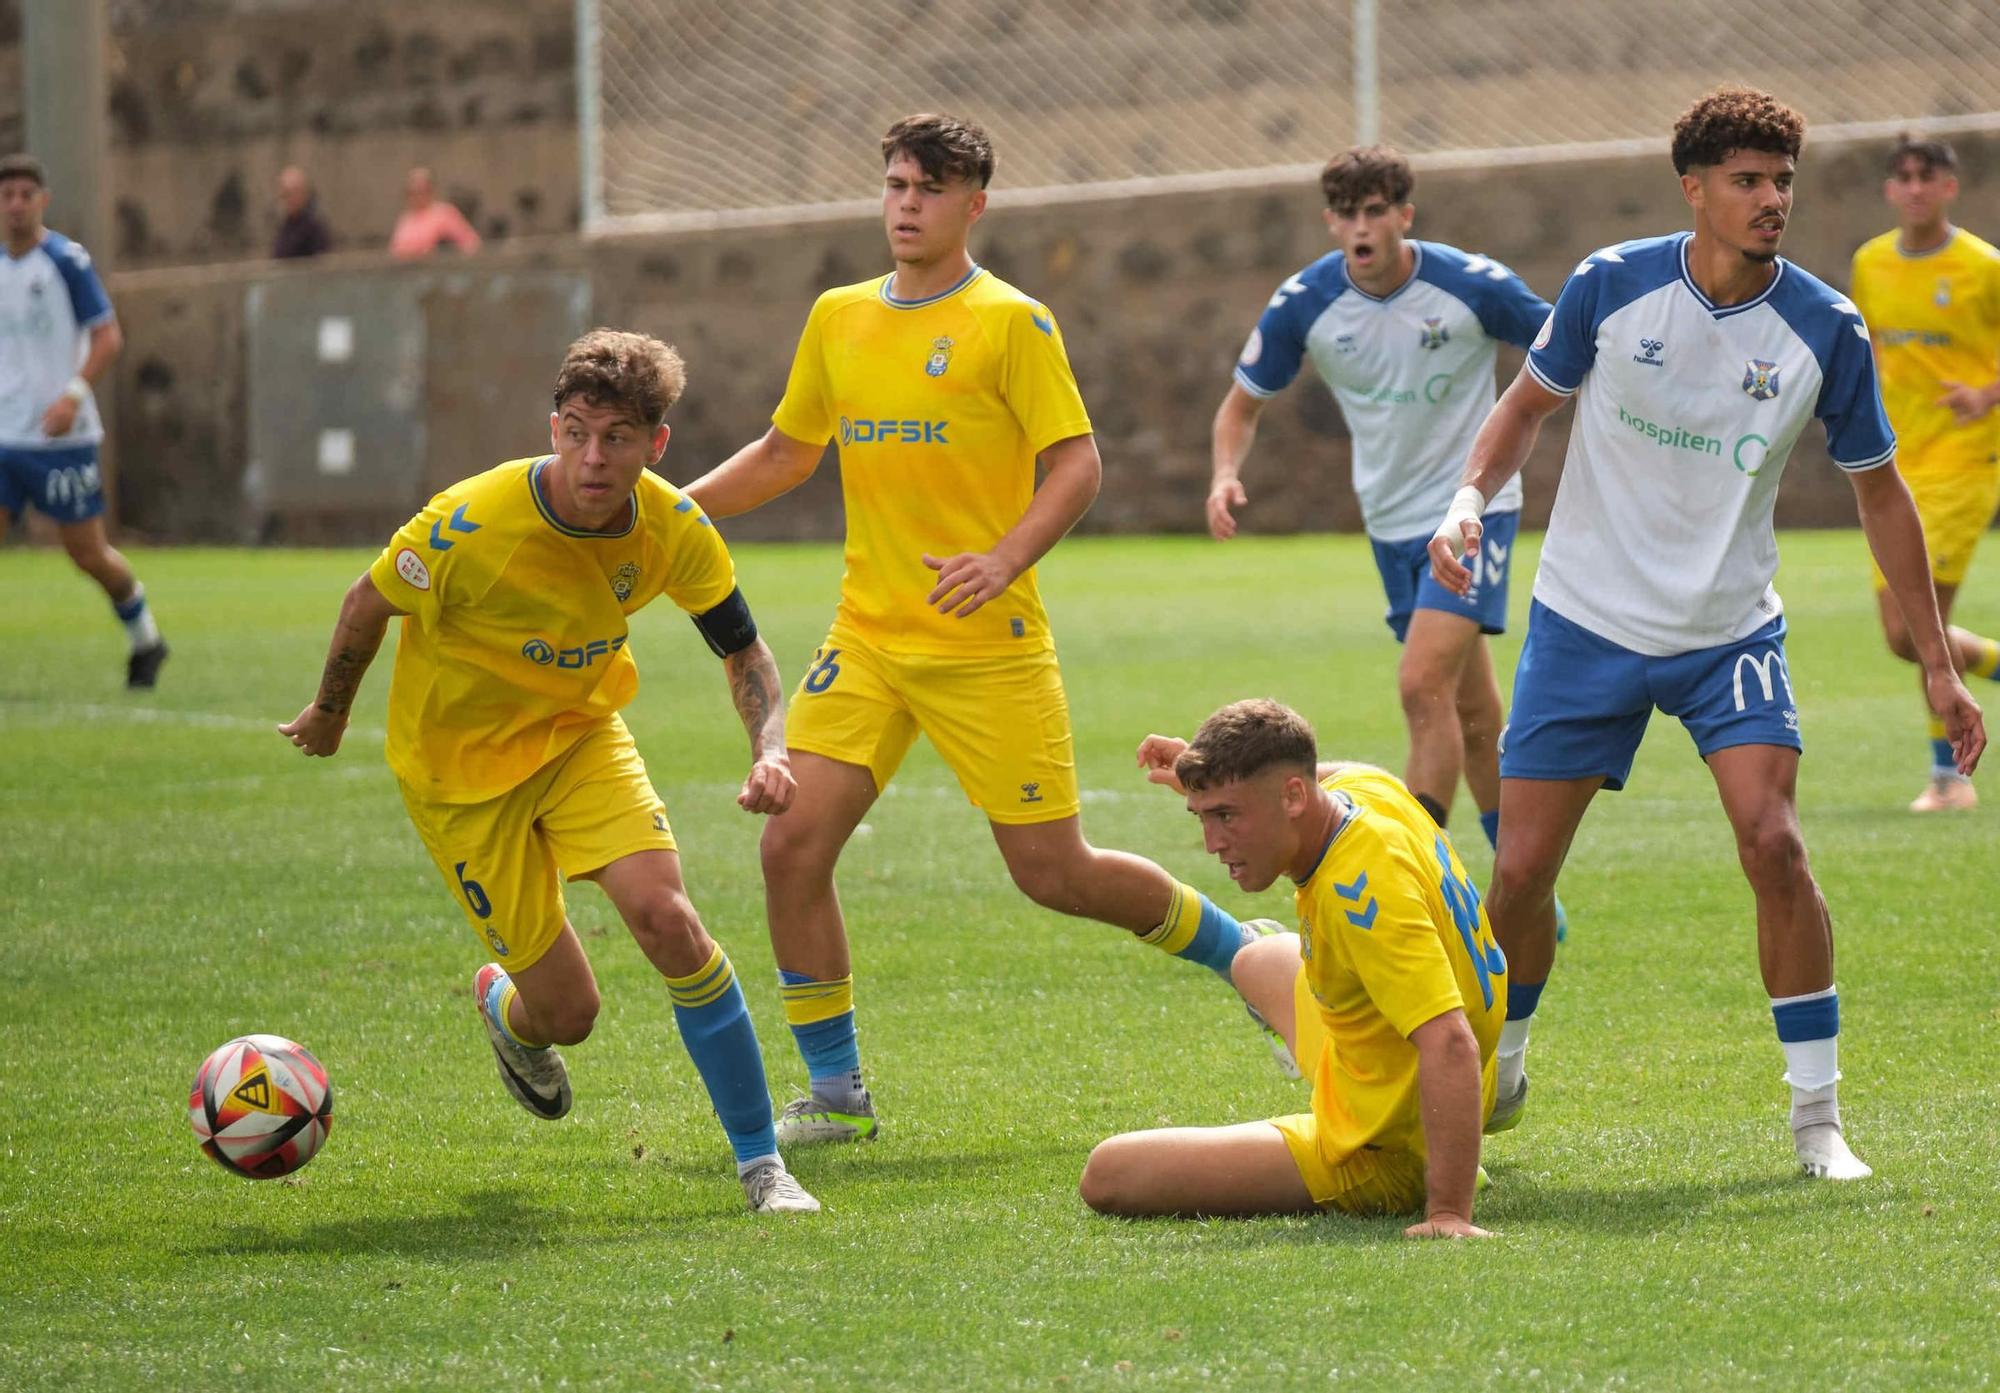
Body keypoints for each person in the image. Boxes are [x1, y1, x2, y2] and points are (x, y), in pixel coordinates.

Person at [1428, 87, 1986, 1180]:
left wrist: (1935, 658)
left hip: (1728, 631)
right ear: (1692, 189)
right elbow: (1523, 409)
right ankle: (1507, 1058)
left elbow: (1880, 494)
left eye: (1781, 179)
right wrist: (1464, 499)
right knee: (1521, 876)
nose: (1770, 198)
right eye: (1745, 180)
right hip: (1584, 619)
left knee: (1772, 845)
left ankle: (1815, 1120)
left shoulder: (1824, 325)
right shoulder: (1608, 284)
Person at [686, 113, 1262, 1147]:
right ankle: (835, 1089)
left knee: (1055, 875)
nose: (906, 204)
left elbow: (1076, 465)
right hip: (866, 637)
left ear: (973, 205)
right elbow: (784, 450)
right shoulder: (838, 316)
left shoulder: (1011, 322)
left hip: (984, 643)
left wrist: (1001, 559)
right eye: (897, 184)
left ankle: (1246, 955)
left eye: (930, 189)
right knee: (790, 847)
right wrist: (672, 510)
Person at [278, 329, 819, 1214]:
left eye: (616, 438)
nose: (592, 457)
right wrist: (331, 712)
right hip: (459, 778)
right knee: (569, 1013)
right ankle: (509, 1011)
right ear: (554, 427)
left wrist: (771, 749)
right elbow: (366, 602)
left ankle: (762, 1167)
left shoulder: (676, 528)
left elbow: (743, 649)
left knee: (668, 919)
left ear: (657, 445)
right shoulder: (472, 520)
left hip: (578, 738)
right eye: (575, 431)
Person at [1210, 146, 1566, 933]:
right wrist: (1223, 475)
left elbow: (1567, 346)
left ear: (1405, 214)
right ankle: (1528, 888)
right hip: (1391, 524)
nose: (1361, 226)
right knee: (1472, 713)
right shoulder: (1306, 301)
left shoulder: (1472, 286)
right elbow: (1240, 407)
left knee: (1420, 687)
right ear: (1331, 220)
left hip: (1474, 512)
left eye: (1377, 210)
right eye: (1347, 212)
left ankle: (1419, 880)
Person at [1078, 699, 1503, 1239]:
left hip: (1385, 1147)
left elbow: (1449, 1042)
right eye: (1204, 815)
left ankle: (1440, 1167)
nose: (1213, 843)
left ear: (1294, 796)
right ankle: (1443, 1136)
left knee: (1110, 1173)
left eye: (1227, 815)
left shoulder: (1360, 895)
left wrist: (1447, 1213)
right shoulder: (1372, 792)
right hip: (1421, 1081)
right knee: (1256, 959)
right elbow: (1320, 774)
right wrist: (1203, 774)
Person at [1849, 134, 2000, 812]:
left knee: (1926, 624)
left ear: (1949, 188)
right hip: (1898, 465)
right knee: (1903, 635)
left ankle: (1950, 780)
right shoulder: (1870, 263)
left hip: (1967, 461)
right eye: (1902, 176)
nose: (1914, 186)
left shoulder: (1983, 267)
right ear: (1889, 189)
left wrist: (1986, 396)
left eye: (1927, 175)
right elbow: (1874, 348)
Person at [0, 152, 167, 688]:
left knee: (88, 554)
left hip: (61, 439)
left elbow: (107, 336)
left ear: (43, 201)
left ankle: (146, 637)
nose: (16, 205)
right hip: (6, 434)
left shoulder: (66, 262)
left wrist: (72, 395)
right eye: (7, 195)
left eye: (26, 194)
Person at [387, 167, 481, 260]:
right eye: (412, 192)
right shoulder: (406, 218)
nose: (416, 197)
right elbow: (394, 250)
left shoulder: (443, 213)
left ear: (430, 190)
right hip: (405, 271)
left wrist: (446, 255)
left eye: (420, 191)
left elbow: (471, 244)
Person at [273, 165, 332, 260]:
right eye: (283, 194)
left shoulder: (314, 228)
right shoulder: (286, 225)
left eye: (289, 194)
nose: (286, 200)